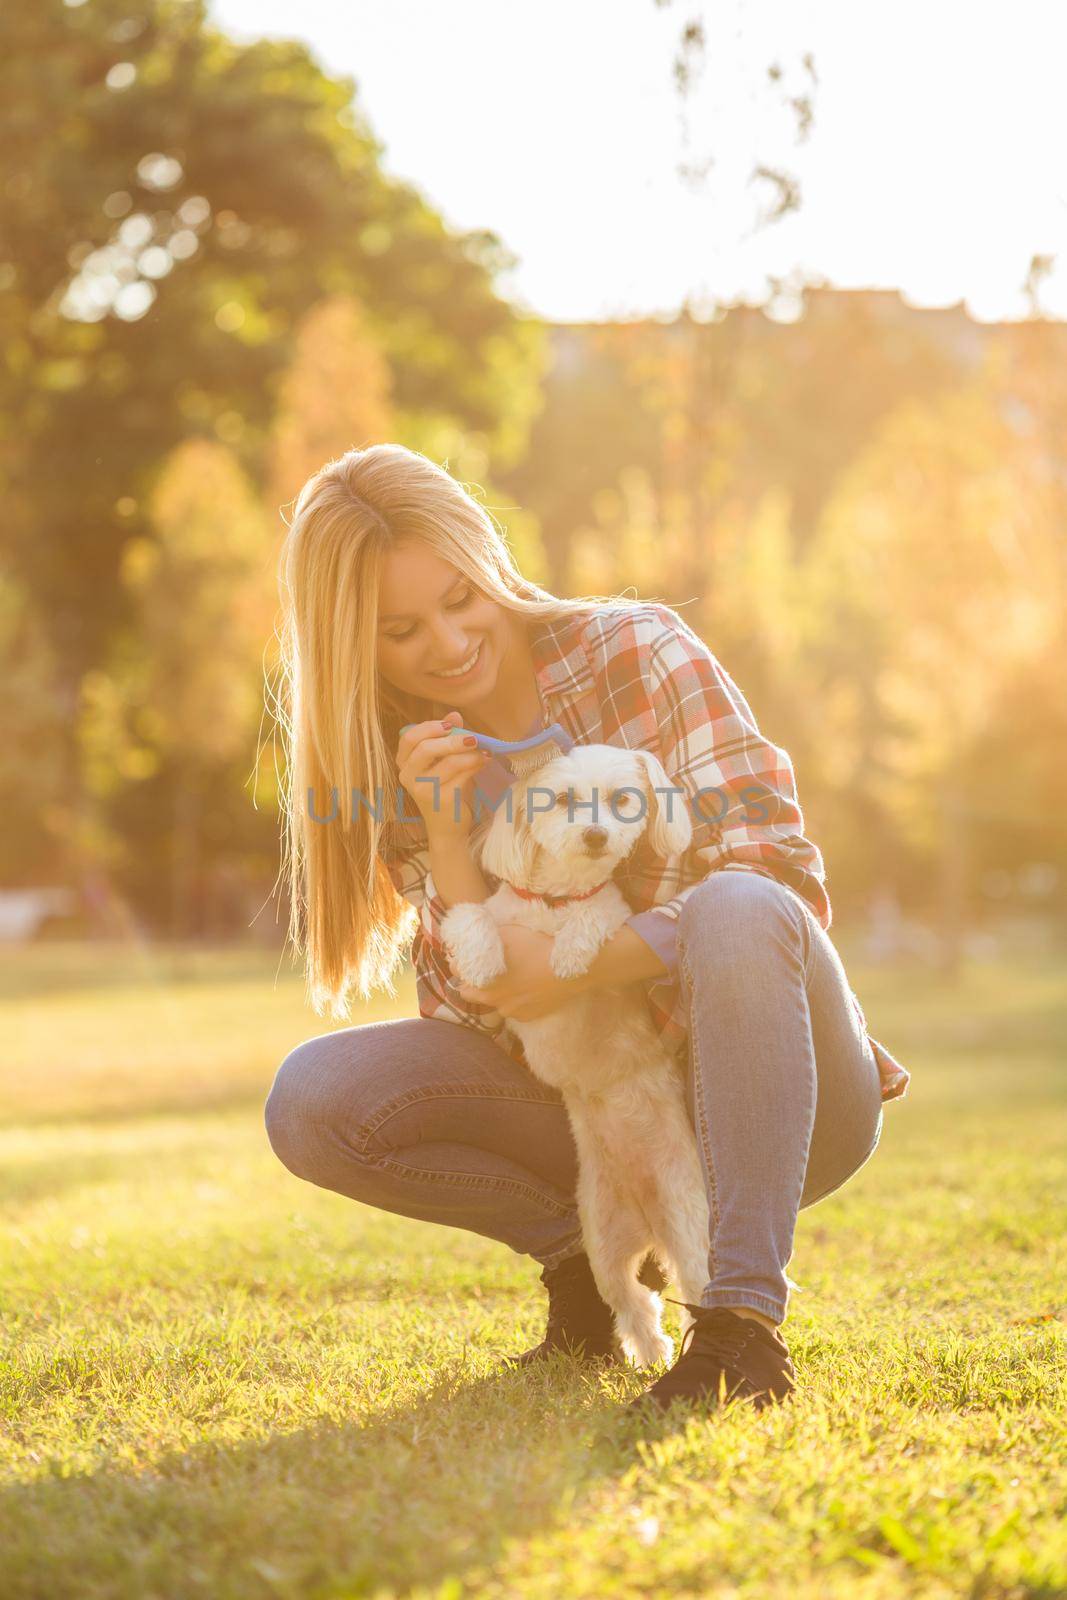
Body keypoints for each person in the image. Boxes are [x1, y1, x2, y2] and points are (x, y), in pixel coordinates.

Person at [264, 442, 909, 1414]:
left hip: (780, 1104)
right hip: (601, 1112)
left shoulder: (637, 651)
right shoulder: (405, 754)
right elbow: (475, 1009)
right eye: (400, 629)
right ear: (356, 642)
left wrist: (583, 963)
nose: (444, 644)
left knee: (734, 905)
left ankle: (737, 1326)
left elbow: (771, 879)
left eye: (459, 598)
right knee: (312, 1098)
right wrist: (446, 829)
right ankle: (590, 1285)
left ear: (487, 562)